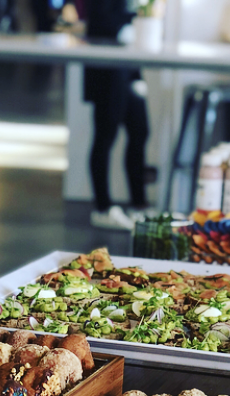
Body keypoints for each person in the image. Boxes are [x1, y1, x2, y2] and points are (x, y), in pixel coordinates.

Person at [84, 0, 149, 230]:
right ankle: (103, 208)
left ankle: (139, 205)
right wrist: (135, 16)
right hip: (106, 69)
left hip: (128, 67)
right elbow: (101, 20)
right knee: (105, 136)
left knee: (139, 131)